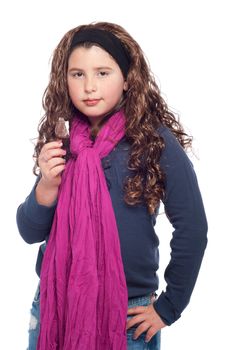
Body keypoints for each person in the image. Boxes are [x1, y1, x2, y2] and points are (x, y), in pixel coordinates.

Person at [16, 21, 208, 350]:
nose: (89, 86)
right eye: (78, 74)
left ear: (127, 78)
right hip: (57, 305)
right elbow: (30, 231)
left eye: (102, 73)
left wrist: (168, 307)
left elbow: (192, 226)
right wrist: (47, 186)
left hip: (128, 315)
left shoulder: (154, 141)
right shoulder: (62, 142)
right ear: (64, 80)